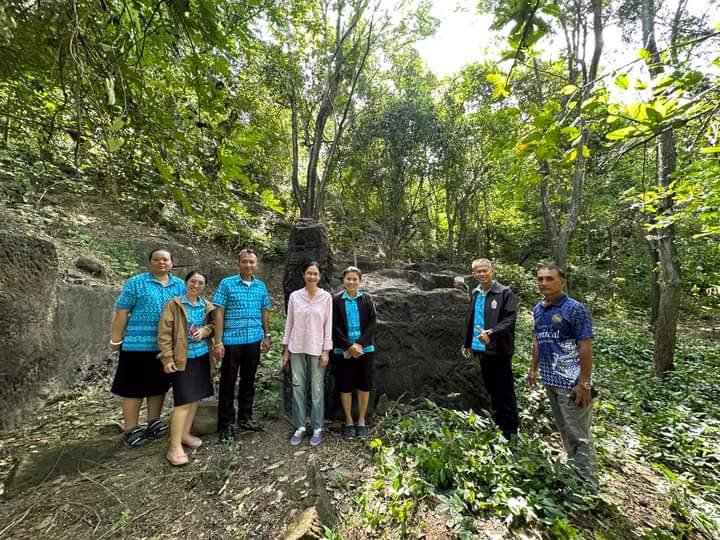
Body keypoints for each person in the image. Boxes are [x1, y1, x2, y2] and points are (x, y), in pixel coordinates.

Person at [528, 264, 597, 486]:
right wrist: (533, 368)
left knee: (579, 435)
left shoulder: (574, 309)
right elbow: (538, 339)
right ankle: (575, 475)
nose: (544, 283)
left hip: (572, 384)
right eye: (540, 279)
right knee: (565, 430)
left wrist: (584, 384)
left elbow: (585, 346)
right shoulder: (538, 309)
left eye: (549, 278)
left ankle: (587, 485)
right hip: (550, 380)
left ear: (563, 282)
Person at [110, 249, 185, 446]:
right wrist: (116, 339)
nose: (161, 262)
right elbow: (122, 311)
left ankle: (154, 421)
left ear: (171, 263)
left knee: (158, 385)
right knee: (132, 387)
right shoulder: (136, 283)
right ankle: (131, 427)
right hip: (137, 343)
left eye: (165, 259)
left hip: (164, 346)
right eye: (157, 259)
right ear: (150, 262)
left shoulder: (179, 285)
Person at [212, 248, 272, 443]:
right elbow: (219, 312)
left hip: (253, 339)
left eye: (251, 262)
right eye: (245, 261)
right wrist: (218, 341)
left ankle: (245, 417)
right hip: (231, 341)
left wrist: (267, 335)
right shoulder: (227, 284)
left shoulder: (260, 286)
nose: (248, 265)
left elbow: (264, 311)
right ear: (239, 263)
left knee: (248, 379)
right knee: (228, 382)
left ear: (256, 264)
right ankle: (226, 423)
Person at [157, 271, 215, 466]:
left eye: (200, 283)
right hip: (182, 358)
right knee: (183, 402)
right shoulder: (174, 305)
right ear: (186, 282)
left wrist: (204, 331)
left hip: (202, 356)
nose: (196, 286)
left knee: (195, 398)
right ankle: (174, 447)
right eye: (193, 282)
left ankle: (185, 434)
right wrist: (167, 358)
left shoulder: (206, 305)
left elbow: (212, 326)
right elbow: (164, 333)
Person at [461, 258, 519, 440]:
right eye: (478, 271)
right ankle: (498, 424)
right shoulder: (476, 293)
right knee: (491, 388)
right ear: (473, 274)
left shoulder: (504, 292)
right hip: (480, 348)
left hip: (499, 349)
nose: (482, 274)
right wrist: (467, 342)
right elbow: (471, 318)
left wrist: (491, 334)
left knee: (504, 390)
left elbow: (510, 319)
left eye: (484, 270)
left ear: (492, 271)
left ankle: (510, 431)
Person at [282, 261, 333, 447]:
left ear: (320, 276)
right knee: (298, 387)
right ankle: (300, 426)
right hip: (297, 347)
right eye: (309, 273)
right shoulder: (295, 297)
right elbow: (289, 323)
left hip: (317, 348)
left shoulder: (326, 297)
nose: (312, 277)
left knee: (317, 388)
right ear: (303, 275)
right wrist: (285, 350)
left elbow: (328, 326)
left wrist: (326, 350)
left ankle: (318, 427)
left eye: (315, 274)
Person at [332, 266, 377, 439]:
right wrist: (349, 346)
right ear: (343, 280)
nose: (351, 282)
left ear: (360, 281)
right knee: (345, 384)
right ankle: (349, 421)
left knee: (364, 384)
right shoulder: (336, 300)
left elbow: (372, 323)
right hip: (343, 349)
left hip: (365, 349)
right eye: (348, 279)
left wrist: (359, 344)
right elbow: (334, 326)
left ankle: (361, 420)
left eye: (354, 279)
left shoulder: (367, 299)